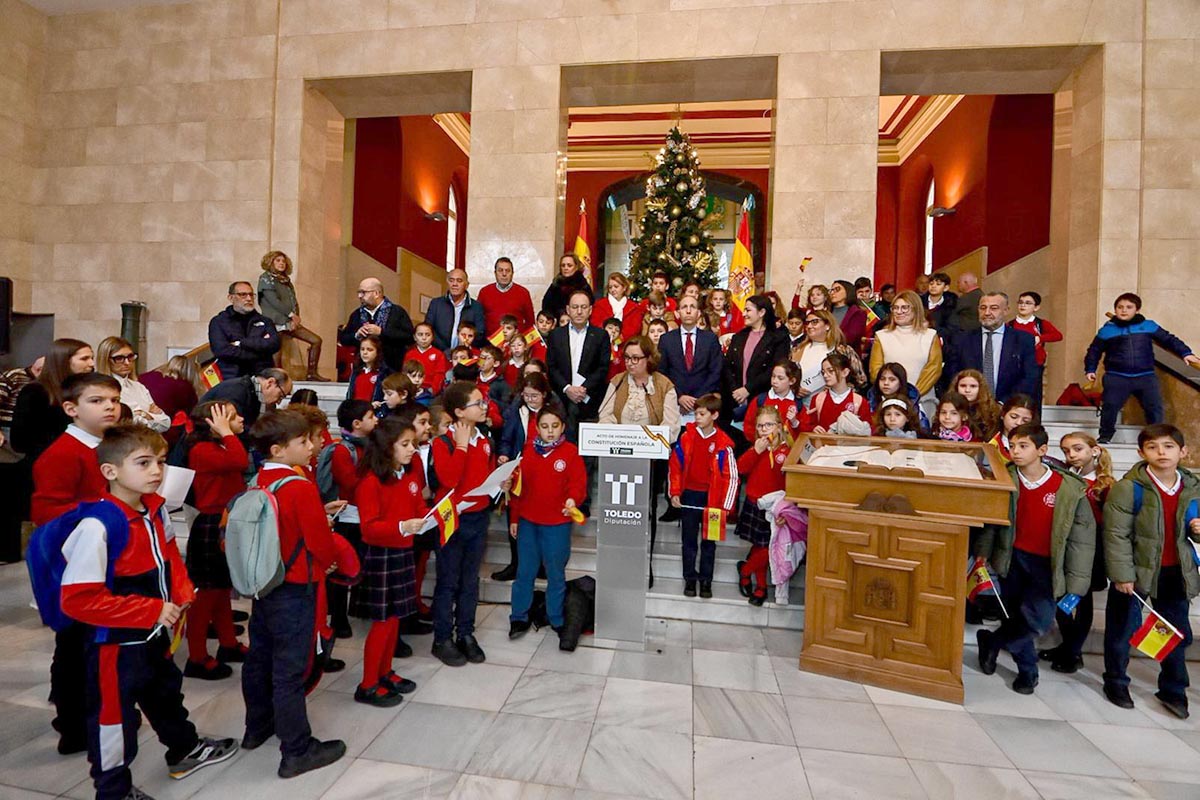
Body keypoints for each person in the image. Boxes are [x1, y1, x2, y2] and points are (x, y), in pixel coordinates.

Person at [62, 425, 239, 799]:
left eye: (160, 461)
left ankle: (184, 749)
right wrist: (151, 609)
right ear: (110, 471)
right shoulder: (97, 525)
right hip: (115, 646)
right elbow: (78, 600)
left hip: (153, 636)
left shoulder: (156, 509)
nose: (157, 471)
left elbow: (169, 555)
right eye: (143, 463)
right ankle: (113, 790)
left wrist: (182, 589)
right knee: (115, 719)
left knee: (165, 695)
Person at [241, 410, 347, 778]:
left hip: (264, 582)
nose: (311, 447)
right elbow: (319, 541)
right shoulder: (299, 485)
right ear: (278, 449)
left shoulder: (259, 479)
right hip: (296, 584)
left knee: (259, 658)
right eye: (302, 442)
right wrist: (330, 561)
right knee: (289, 670)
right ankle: (296, 749)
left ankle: (257, 726)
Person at [31, 372, 122, 754]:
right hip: (74, 564)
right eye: (97, 401)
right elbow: (46, 512)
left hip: (104, 557)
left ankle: (95, 712)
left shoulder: (107, 446)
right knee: (74, 647)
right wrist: (102, 510)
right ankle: (73, 725)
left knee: (93, 646)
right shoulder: (63, 453)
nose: (110, 408)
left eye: (114, 400)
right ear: (71, 408)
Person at [975, 423, 1096, 695]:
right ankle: (1027, 671)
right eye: (1012, 446)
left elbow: (1082, 540)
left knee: (1039, 619)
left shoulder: (1067, 487)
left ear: (1042, 450)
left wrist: (1078, 581)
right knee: (1014, 615)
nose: (1015, 452)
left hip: (1047, 564)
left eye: (1023, 446)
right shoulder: (1005, 479)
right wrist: (983, 552)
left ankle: (992, 641)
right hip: (1012, 558)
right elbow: (992, 522)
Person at [1101, 423, 1200, 717]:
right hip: (1135, 573)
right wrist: (1122, 574)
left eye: (1169, 446)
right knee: (1122, 629)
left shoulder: (1193, 489)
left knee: (1174, 631)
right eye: (1153, 447)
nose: (1161, 453)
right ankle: (1116, 681)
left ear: (1183, 451)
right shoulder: (1128, 488)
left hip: (1175, 571)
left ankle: (1173, 689)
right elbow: (1116, 535)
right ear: (1141, 452)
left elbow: (1191, 533)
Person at [353, 418, 424, 707]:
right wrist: (402, 526)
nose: (412, 449)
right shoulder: (371, 482)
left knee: (395, 618)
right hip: (381, 554)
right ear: (386, 447)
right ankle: (368, 683)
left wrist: (435, 515)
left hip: (402, 551)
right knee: (382, 622)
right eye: (405, 444)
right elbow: (369, 528)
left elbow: (417, 507)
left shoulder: (407, 476)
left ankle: (385, 671)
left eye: (413, 443)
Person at [428, 382, 499, 666]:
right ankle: (442, 637)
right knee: (448, 581)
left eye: (484, 402)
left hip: (477, 517)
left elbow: (485, 476)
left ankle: (466, 633)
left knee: (470, 580)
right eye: (477, 403)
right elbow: (450, 479)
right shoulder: (443, 442)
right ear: (459, 411)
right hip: (452, 519)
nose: (484, 407)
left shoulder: (484, 439)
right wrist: (461, 445)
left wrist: (500, 482)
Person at [182, 400, 250, 680]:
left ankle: (228, 643)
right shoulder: (202, 449)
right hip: (211, 523)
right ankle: (197, 657)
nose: (241, 419)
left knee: (222, 588)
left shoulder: (219, 445)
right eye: (232, 417)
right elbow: (240, 461)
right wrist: (227, 432)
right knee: (206, 593)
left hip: (225, 520)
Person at [507, 406, 587, 644]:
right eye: (544, 426)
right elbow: (518, 489)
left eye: (555, 426)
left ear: (562, 427)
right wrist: (514, 518)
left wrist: (573, 500)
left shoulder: (570, 452)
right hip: (528, 522)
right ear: (537, 428)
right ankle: (518, 617)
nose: (550, 431)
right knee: (525, 572)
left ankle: (556, 618)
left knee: (555, 573)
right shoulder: (527, 452)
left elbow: (578, 485)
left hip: (557, 523)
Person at [1037, 432, 1113, 674]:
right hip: (1065, 545)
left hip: (1091, 549)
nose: (1071, 455)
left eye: (1077, 449)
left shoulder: (1105, 485)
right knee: (1061, 597)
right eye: (1066, 451)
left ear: (1094, 450)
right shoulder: (1065, 478)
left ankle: (1073, 651)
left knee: (1082, 599)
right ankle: (1068, 646)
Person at [1084, 292, 1199, 444]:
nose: (1124, 310)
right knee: (1110, 407)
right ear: (1115, 309)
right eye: (1120, 307)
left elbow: (1169, 340)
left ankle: (1155, 438)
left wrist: (1186, 353)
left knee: (1154, 409)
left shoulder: (1148, 326)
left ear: (1137, 310)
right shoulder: (1107, 330)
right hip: (1116, 376)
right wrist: (1090, 369)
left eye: (1129, 307)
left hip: (1145, 376)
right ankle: (1105, 436)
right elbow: (1094, 351)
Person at [668, 394, 737, 599]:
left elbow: (731, 476)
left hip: (713, 501)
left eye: (702, 414)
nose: (697, 417)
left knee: (709, 542)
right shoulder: (686, 438)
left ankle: (706, 581)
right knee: (688, 541)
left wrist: (726, 506)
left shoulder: (724, 444)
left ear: (714, 415)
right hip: (690, 497)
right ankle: (690, 578)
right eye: (696, 413)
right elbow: (675, 467)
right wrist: (675, 492)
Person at [324, 399, 377, 638]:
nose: (376, 420)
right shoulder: (343, 450)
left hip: (368, 514)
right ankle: (338, 617)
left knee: (364, 565)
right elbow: (350, 483)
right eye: (371, 417)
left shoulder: (372, 444)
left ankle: (358, 606)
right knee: (343, 568)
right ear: (356, 424)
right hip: (348, 515)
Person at [735, 405, 790, 606]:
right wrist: (755, 451)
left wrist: (786, 510)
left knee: (767, 547)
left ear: (779, 426)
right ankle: (761, 586)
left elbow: (790, 483)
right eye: (760, 426)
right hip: (755, 503)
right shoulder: (756, 447)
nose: (764, 430)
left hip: (775, 507)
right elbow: (740, 469)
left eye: (769, 425)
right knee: (761, 545)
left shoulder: (787, 450)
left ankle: (745, 570)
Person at [12, 338, 95, 462]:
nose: (92, 364)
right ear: (64, 361)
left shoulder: (86, 389)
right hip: (46, 461)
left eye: (92, 358)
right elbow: (20, 441)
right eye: (84, 359)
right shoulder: (35, 391)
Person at [946, 292, 1038, 403]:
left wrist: (1005, 403)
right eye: (983, 308)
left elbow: (1029, 376)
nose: (987, 313)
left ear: (1006, 310)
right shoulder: (962, 339)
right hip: (970, 406)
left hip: (1009, 406)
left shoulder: (1023, 340)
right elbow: (952, 374)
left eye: (994, 308)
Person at [869, 290, 943, 421]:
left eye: (904, 307)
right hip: (890, 404)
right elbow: (876, 371)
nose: (899, 311)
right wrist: (895, 397)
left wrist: (912, 395)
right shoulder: (881, 336)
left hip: (922, 401)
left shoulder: (930, 335)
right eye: (895, 308)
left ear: (916, 309)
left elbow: (933, 369)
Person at [723, 294, 789, 435]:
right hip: (735, 400)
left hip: (761, 399)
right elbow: (727, 366)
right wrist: (736, 391)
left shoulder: (778, 338)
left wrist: (747, 389)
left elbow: (775, 369)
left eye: (748, 310)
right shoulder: (739, 337)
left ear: (762, 312)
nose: (744, 314)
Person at [546, 289, 611, 433]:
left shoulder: (601, 336)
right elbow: (551, 367)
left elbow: (603, 367)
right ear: (568, 310)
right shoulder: (556, 335)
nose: (579, 311)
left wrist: (583, 389)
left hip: (591, 400)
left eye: (583, 307)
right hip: (561, 399)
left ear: (590, 310)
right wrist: (567, 388)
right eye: (575, 307)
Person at [258, 250, 329, 381]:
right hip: (275, 320)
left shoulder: (286, 280)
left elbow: (293, 301)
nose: (281, 263)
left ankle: (312, 373)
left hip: (289, 320)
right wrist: (291, 315)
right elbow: (273, 301)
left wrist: (295, 318)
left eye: (283, 261)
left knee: (316, 340)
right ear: (270, 262)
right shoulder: (266, 279)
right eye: (278, 260)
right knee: (276, 350)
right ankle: (277, 377)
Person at [657, 295, 722, 423]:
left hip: (703, 405)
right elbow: (662, 372)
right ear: (677, 313)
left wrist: (697, 399)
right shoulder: (666, 340)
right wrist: (679, 396)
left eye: (692, 307)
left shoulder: (710, 339)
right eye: (684, 307)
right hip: (674, 404)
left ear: (699, 313)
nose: (688, 311)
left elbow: (715, 371)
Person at [337, 278, 416, 372]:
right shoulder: (356, 314)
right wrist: (357, 335)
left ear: (376, 293)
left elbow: (409, 337)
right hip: (362, 369)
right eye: (359, 292)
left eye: (363, 292)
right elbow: (343, 339)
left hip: (391, 368)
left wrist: (382, 332)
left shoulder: (396, 312)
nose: (359, 296)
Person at [208, 281, 282, 379]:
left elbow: (274, 344)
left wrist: (241, 343)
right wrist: (260, 353)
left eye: (251, 295)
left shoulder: (265, 321)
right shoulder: (219, 322)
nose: (249, 299)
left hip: (261, 376)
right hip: (231, 377)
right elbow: (222, 351)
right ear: (231, 298)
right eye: (243, 295)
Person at [96, 336, 170, 432]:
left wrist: (143, 414)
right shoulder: (101, 388)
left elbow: (166, 423)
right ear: (106, 360)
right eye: (119, 358)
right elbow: (127, 424)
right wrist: (152, 416)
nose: (127, 362)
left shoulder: (139, 387)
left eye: (130, 357)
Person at [790, 309, 867, 401]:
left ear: (827, 325)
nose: (809, 326)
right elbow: (787, 375)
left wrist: (837, 388)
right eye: (807, 323)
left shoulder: (842, 350)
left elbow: (860, 380)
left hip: (833, 402)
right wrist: (794, 388)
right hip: (799, 404)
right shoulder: (798, 349)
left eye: (814, 322)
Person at [1009, 291, 1063, 409]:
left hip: (1035, 364)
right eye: (1021, 302)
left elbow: (1058, 335)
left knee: (1034, 397)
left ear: (1036, 307)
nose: (1023, 305)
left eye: (1028, 303)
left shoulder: (1040, 324)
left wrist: (1040, 338)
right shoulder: (1010, 325)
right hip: (1014, 365)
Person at [198, 367, 291, 431]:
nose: (279, 402)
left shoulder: (254, 393)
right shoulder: (237, 391)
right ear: (270, 383)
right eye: (280, 395)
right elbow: (235, 429)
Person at [799, 353, 872, 435]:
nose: (825, 375)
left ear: (845, 372)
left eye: (831, 371)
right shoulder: (818, 399)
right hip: (823, 442)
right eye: (823, 372)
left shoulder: (859, 401)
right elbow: (809, 424)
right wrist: (813, 428)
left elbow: (867, 431)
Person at [424, 269, 486, 355]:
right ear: (447, 283)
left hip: (466, 355)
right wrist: (445, 351)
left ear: (466, 285)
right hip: (439, 353)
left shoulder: (476, 307)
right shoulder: (436, 304)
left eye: (459, 281)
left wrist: (463, 349)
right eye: (451, 280)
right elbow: (428, 329)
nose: (454, 284)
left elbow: (479, 333)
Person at [742, 361, 802, 444]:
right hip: (762, 448)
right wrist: (759, 441)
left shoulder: (797, 405)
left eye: (780, 378)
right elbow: (748, 425)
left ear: (792, 381)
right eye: (773, 376)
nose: (774, 381)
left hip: (787, 450)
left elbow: (804, 432)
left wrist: (794, 422)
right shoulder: (760, 400)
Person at [477, 256, 536, 337]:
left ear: (512, 273)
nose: (504, 274)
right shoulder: (484, 292)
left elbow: (530, 323)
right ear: (495, 273)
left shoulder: (523, 293)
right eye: (500, 270)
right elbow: (478, 320)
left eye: (507, 271)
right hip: (490, 342)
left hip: (515, 342)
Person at [138, 354, 202, 424]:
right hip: (159, 424)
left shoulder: (147, 376)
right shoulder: (185, 386)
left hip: (136, 417)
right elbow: (194, 412)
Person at [867, 361, 929, 431]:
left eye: (892, 380)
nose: (886, 383)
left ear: (901, 382)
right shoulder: (870, 402)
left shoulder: (913, 404)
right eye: (882, 379)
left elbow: (923, 430)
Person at [950, 368, 1001, 440]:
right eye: (963, 386)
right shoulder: (947, 407)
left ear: (981, 388)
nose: (967, 390)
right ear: (956, 387)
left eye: (973, 386)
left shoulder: (991, 411)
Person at [541, 253, 593, 321]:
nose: (566, 268)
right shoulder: (555, 285)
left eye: (569, 265)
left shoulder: (583, 285)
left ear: (576, 267)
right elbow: (546, 307)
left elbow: (590, 307)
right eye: (563, 265)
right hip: (558, 323)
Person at [590, 272, 641, 342]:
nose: (613, 290)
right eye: (610, 287)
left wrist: (618, 340)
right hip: (602, 342)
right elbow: (595, 324)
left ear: (624, 288)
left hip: (626, 344)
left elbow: (635, 328)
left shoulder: (634, 307)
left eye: (616, 286)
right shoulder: (599, 305)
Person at [403, 321, 450, 395]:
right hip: (411, 390)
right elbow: (405, 374)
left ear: (432, 337)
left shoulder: (439, 354)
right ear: (414, 337)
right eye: (420, 334)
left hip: (429, 391)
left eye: (427, 335)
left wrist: (432, 391)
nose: (424, 338)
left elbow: (439, 376)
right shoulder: (409, 354)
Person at [989, 394, 1038, 464]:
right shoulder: (990, 441)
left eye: (1025, 420)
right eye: (1014, 417)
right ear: (1003, 415)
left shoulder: (1035, 445)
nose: (1018, 423)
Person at [345, 334, 390, 403]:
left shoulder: (383, 373)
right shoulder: (356, 372)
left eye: (369, 350)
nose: (365, 352)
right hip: (356, 408)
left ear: (377, 352)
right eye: (362, 349)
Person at [828, 280, 868, 352]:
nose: (832, 293)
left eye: (837, 289)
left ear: (848, 291)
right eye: (831, 290)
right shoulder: (827, 311)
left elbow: (851, 337)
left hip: (846, 354)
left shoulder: (858, 313)